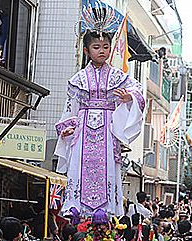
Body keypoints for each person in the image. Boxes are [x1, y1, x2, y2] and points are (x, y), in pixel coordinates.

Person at [54, 4, 145, 218]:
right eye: (96, 47)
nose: (101, 51)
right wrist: (66, 128)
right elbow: (70, 108)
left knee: (109, 170)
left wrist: (128, 97)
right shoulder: (77, 80)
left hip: (107, 132)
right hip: (83, 130)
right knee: (79, 167)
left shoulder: (118, 76)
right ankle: (78, 210)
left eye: (105, 46)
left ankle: (107, 213)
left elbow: (138, 91)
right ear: (86, 50)